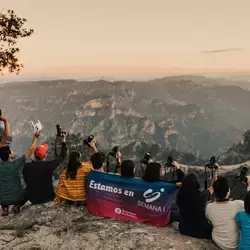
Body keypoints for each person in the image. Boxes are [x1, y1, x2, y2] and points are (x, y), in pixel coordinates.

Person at [0, 129, 41, 216]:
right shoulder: (15, 164)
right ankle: (18, 206)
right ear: (9, 155)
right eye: (11, 151)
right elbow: (30, 151)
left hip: (2, 200)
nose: (13, 152)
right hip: (17, 198)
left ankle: (5, 208)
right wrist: (35, 137)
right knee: (29, 187)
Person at [22, 138, 67, 205]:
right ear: (45, 155)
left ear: (34, 155)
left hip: (33, 199)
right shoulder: (48, 166)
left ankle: (19, 204)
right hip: (47, 198)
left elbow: (26, 180)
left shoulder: (26, 166)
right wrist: (63, 141)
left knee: (28, 187)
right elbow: (62, 157)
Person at [206, 176, 246, 250]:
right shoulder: (239, 204)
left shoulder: (209, 207)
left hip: (217, 241)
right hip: (235, 245)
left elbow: (208, 218)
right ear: (228, 192)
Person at [176, 171, 215, 239]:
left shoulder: (179, 194)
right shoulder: (202, 196)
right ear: (197, 184)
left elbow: (181, 186)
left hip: (184, 229)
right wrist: (214, 173)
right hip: (201, 231)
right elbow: (213, 187)